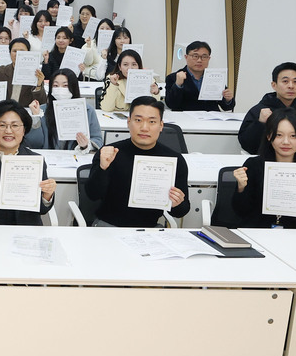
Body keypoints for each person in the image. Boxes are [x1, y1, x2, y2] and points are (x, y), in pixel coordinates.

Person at [84, 96, 189, 227]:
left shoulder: (173, 160)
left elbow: (182, 211)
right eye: (138, 120)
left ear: (161, 125)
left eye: (152, 122)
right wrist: (102, 169)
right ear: (129, 122)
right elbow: (92, 195)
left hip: (149, 229)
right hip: (109, 226)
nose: (144, 128)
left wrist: (177, 203)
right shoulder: (110, 153)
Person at [231, 109, 296, 229]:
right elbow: (240, 211)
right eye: (279, 135)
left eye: (293, 136)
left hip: (292, 235)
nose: (286, 142)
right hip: (256, 232)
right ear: (269, 136)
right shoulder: (253, 165)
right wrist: (241, 188)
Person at [237, 62, 296, 156]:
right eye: (285, 81)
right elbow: (247, 145)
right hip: (270, 162)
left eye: (295, 82)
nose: (291, 86)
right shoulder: (260, 110)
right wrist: (260, 124)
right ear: (274, 85)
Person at [31, 69, 102, 152]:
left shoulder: (87, 110)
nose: (60, 89)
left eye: (65, 86)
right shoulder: (42, 110)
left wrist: (86, 145)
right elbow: (34, 143)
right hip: (48, 158)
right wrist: (35, 118)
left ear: (73, 87)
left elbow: (98, 140)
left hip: (76, 158)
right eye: (56, 85)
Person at [165, 40, 235, 112]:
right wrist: (178, 85)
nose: (199, 60)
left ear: (209, 59)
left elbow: (227, 107)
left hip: (212, 120)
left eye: (204, 57)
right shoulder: (173, 77)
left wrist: (228, 99)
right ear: (186, 57)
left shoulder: (214, 76)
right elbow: (171, 104)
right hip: (186, 120)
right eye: (195, 56)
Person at [0, 37, 48, 108]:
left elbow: (42, 103)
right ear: (9, 53)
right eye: (14, 51)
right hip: (3, 111)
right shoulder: (0, 71)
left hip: (24, 113)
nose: (18, 54)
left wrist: (38, 86)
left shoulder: (35, 74)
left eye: (22, 51)